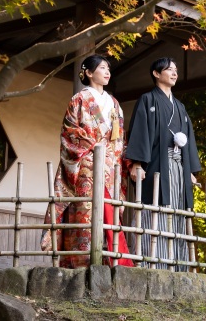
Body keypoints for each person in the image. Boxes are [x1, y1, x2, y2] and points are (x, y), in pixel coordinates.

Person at [42, 54, 134, 268]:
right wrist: (93, 147)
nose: (107, 72)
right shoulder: (79, 99)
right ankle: (82, 260)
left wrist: (115, 155)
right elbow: (69, 133)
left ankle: (111, 259)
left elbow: (119, 137)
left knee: (109, 210)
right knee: (86, 210)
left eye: (108, 68)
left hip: (110, 165)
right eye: (102, 68)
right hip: (86, 164)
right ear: (89, 73)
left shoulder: (114, 103)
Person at [125, 57, 201, 270]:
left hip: (178, 166)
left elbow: (188, 138)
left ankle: (177, 264)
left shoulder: (180, 107)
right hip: (157, 166)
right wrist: (137, 163)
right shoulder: (147, 100)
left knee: (178, 209)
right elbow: (140, 131)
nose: (174, 73)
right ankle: (150, 262)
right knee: (154, 208)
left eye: (176, 70)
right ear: (157, 74)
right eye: (169, 70)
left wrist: (190, 170)